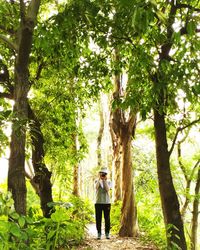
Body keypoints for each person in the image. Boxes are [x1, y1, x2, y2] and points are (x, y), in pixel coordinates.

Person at [94, 167, 111, 240]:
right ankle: (99, 233)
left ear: (106, 174)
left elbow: (107, 189)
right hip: (98, 202)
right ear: (99, 174)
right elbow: (96, 187)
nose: (103, 175)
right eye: (102, 173)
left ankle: (107, 233)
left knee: (107, 219)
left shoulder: (109, 181)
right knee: (98, 218)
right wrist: (99, 179)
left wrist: (104, 181)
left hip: (107, 202)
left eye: (105, 173)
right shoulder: (96, 181)